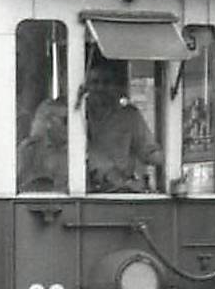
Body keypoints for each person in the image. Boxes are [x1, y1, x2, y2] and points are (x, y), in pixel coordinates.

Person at [84, 62, 162, 193]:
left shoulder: (129, 116)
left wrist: (174, 161)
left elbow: (148, 152)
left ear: (116, 86)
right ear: (86, 86)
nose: (100, 87)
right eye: (95, 82)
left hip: (120, 193)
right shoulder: (76, 117)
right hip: (83, 190)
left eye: (106, 82)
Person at [17, 97, 68, 192]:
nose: (69, 126)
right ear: (49, 122)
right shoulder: (30, 151)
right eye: (65, 121)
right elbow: (21, 185)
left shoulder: (78, 151)